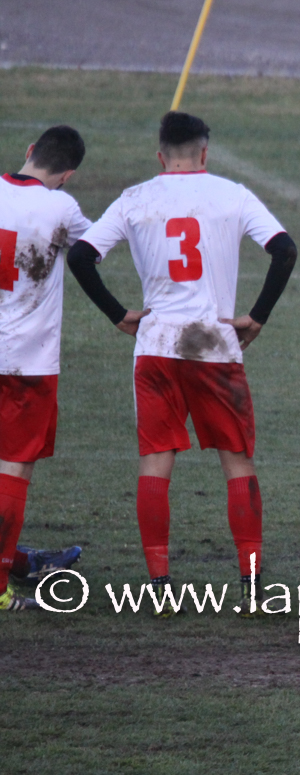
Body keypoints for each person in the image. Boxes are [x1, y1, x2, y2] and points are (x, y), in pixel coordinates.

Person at [67, 111, 297, 615]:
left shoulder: (134, 198)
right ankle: (252, 588)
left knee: (156, 462)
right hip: (213, 345)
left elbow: (80, 257)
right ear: (204, 153)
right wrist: (257, 317)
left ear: (160, 156)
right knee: (237, 462)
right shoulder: (233, 194)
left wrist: (118, 314)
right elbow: (284, 251)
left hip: (156, 345)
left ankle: (159, 586)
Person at [0, 125, 91, 611]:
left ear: (30, 150)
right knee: (13, 468)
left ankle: (15, 560)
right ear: (68, 175)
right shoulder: (61, 208)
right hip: (26, 362)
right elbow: (97, 246)